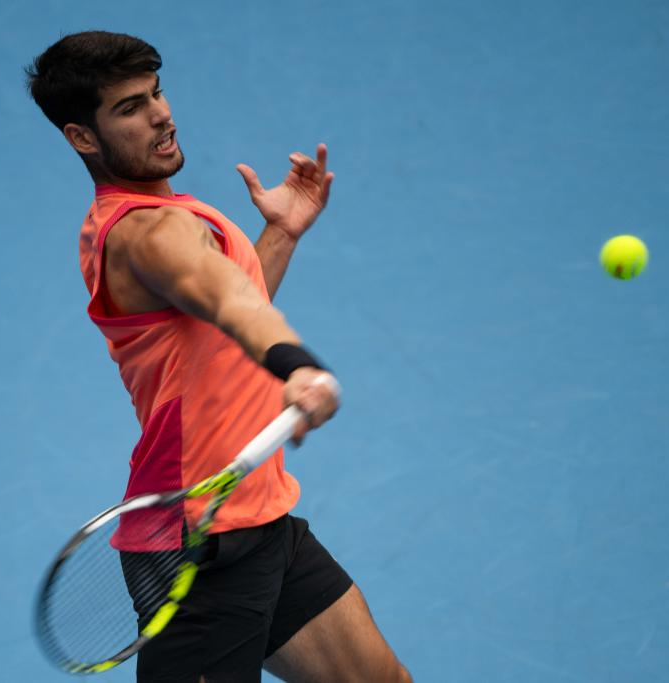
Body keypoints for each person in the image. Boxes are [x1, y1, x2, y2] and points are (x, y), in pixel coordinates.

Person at [27, 31, 411, 683]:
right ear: (81, 136)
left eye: (156, 93)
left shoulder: (172, 211)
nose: (161, 115)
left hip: (258, 513)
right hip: (196, 546)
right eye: (130, 108)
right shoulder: (147, 233)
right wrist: (297, 365)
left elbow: (221, 319)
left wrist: (280, 234)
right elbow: (231, 303)